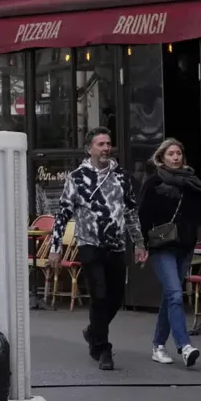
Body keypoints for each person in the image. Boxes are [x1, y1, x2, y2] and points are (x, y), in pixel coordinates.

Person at [49, 127, 147, 371]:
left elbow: (131, 212)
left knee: (115, 298)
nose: (105, 148)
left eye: (108, 143)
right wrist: (55, 246)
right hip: (90, 244)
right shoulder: (77, 177)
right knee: (99, 295)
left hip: (116, 245)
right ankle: (103, 348)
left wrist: (139, 242)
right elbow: (63, 213)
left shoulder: (121, 177)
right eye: (100, 144)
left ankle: (93, 331)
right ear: (89, 148)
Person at [138, 139, 201, 368]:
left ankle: (158, 345)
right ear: (161, 158)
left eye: (178, 153)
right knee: (176, 294)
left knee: (170, 296)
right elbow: (142, 216)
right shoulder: (154, 184)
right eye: (170, 154)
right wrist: (141, 244)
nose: (175, 157)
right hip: (161, 247)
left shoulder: (192, 183)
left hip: (185, 245)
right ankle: (185, 346)